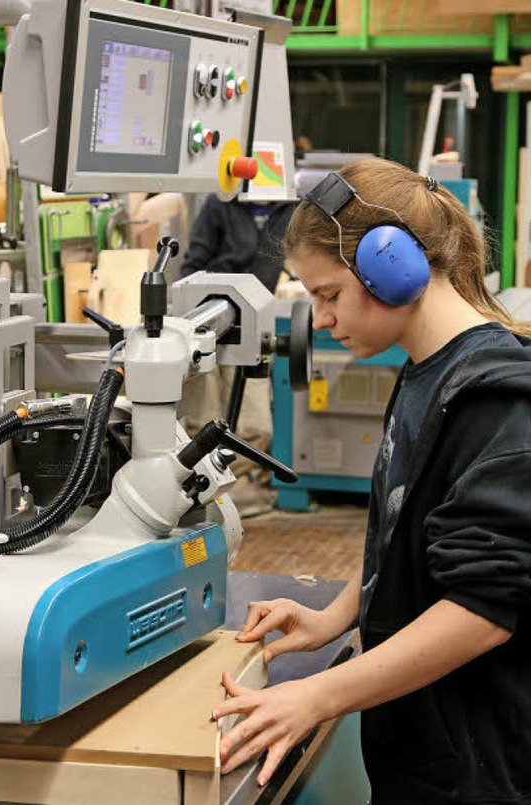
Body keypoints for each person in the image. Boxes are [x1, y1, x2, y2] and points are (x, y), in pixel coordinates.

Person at [211, 157, 531, 804]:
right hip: (419, 754)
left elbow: (482, 612)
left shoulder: (495, 401)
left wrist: (317, 695)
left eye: (329, 294)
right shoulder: (425, 371)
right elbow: (402, 520)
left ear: (395, 267)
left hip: (474, 774)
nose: (322, 319)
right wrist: (332, 618)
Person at [178, 193, 296, 479]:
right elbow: (194, 261)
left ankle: (222, 480)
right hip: (210, 317)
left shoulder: (291, 208)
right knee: (201, 423)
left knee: (256, 428)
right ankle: (202, 485)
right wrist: (189, 313)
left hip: (255, 319)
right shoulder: (220, 204)